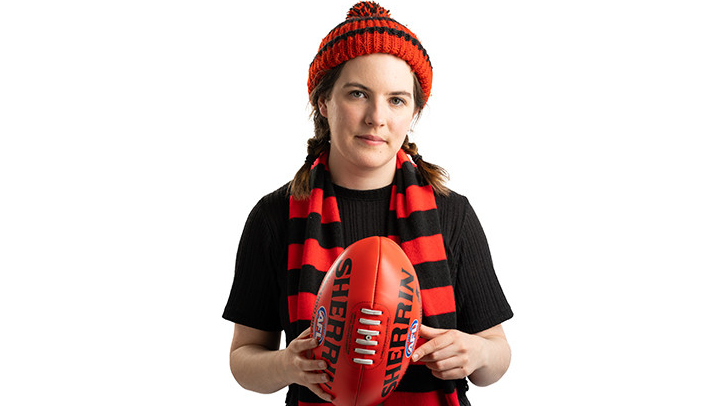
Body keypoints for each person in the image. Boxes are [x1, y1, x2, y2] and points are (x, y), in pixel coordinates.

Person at [223, 2, 513, 405]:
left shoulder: (452, 213)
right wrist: (287, 365)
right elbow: (244, 357)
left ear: (414, 112)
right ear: (324, 102)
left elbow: (496, 354)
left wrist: (477, 352)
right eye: (358, 94)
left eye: (396, 100)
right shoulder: (275, 216)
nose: (377, 117)